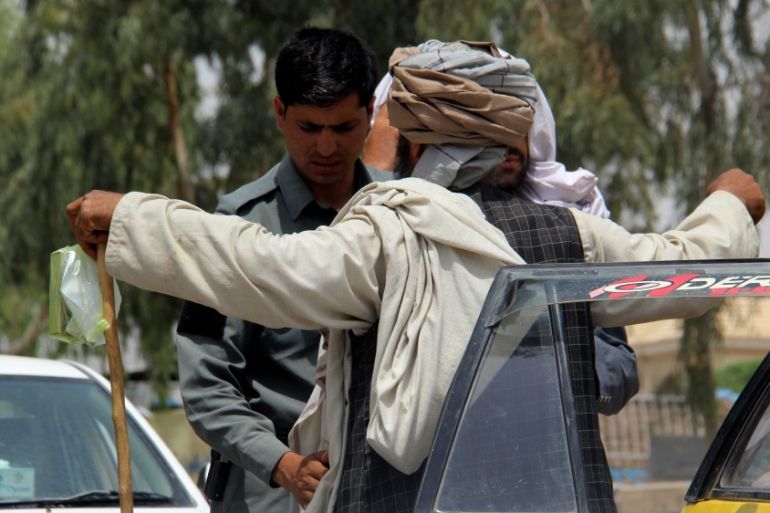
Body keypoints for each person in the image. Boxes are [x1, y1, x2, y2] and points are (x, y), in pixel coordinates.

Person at [66, 40, 764, 513]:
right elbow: (678, 268)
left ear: (420, 141)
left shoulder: (390, 233)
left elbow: (261, 266)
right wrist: (732, 201)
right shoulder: (570, 235)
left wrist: (130, 217)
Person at [173, 27, 382, 513]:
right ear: (280, 114)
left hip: (380, 488)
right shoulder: (234, 228)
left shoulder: (400, 215)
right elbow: (207, 385)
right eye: (310, 128)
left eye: (343, 128)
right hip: (269, 493)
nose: (326, 147)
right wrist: (285, 465)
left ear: (371, 113)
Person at [364, 71, 638, 415]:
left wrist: (553, 352)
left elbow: (620, 366)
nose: (507, 142)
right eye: (491, 128)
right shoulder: (401, 230)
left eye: (517, 125)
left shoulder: (568, 226)